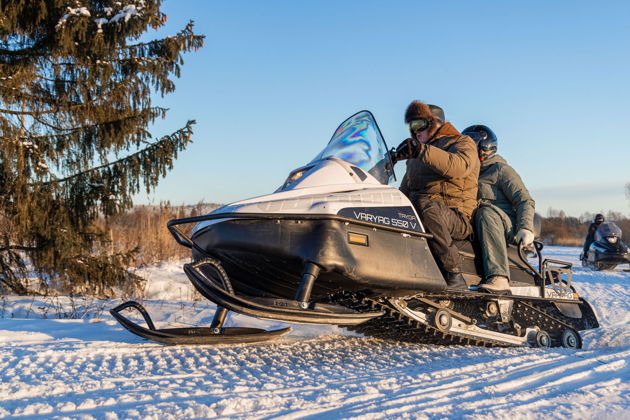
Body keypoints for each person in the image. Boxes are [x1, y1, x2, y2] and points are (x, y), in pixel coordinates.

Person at [394, 101, 480, 290]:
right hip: (425, 210)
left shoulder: (461, 142)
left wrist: (421, 150)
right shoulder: (417, 155)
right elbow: (405, 190)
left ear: (435, 123)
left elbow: (459, 167)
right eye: (411, 126)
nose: (415, 131)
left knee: (424, 205)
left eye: (419, 124)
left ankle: (453, 274)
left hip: (456, 216)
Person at [462, 125, 536, 294]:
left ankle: (499, 277)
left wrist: (525, 227)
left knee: (485, 212)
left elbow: (524, 200)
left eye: (472, 146)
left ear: (484, 149)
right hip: (479, 223)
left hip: (504, 224)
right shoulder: (465, 172)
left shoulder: (500, 169)